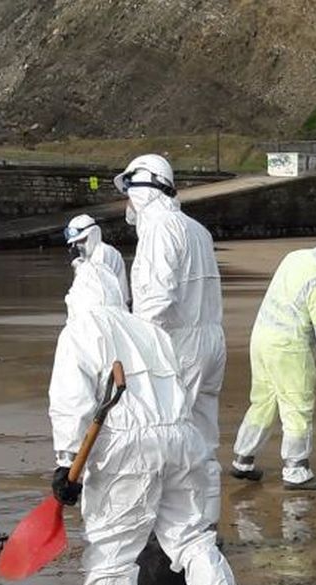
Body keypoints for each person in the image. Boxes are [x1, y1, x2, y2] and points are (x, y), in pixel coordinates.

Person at [48, 284, 243, 585]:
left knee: (113, 542)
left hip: (128, 447)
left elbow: (71, 401)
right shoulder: (148, 329)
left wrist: (66, 460)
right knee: (191, 533)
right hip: (181, 438)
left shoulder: (80, 329)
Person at [115, 154, 227, 526]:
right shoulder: (198, 230)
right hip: (211, 341)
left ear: (143, 190)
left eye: (129, 192)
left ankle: (176, 530)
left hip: (179, 345)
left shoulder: (160, 229)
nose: (127, 202)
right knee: (203, 438)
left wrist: (135, 352)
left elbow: (157, 298)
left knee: (170, 437)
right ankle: (208, 525)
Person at [228, 227, 316, 491]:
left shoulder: (297, 257)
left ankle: (243, 459)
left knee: (263, 401)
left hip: (261, 339)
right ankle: (297, 470)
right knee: (298, 406)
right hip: (289, 347)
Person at [65, 213, 128, 308]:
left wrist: (77, 264)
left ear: (93, 235)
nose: (78, 246)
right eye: (75, 243)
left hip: (112, 310)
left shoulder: (104, 251)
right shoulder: (85, 259)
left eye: (82, 240)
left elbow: (95, 282)